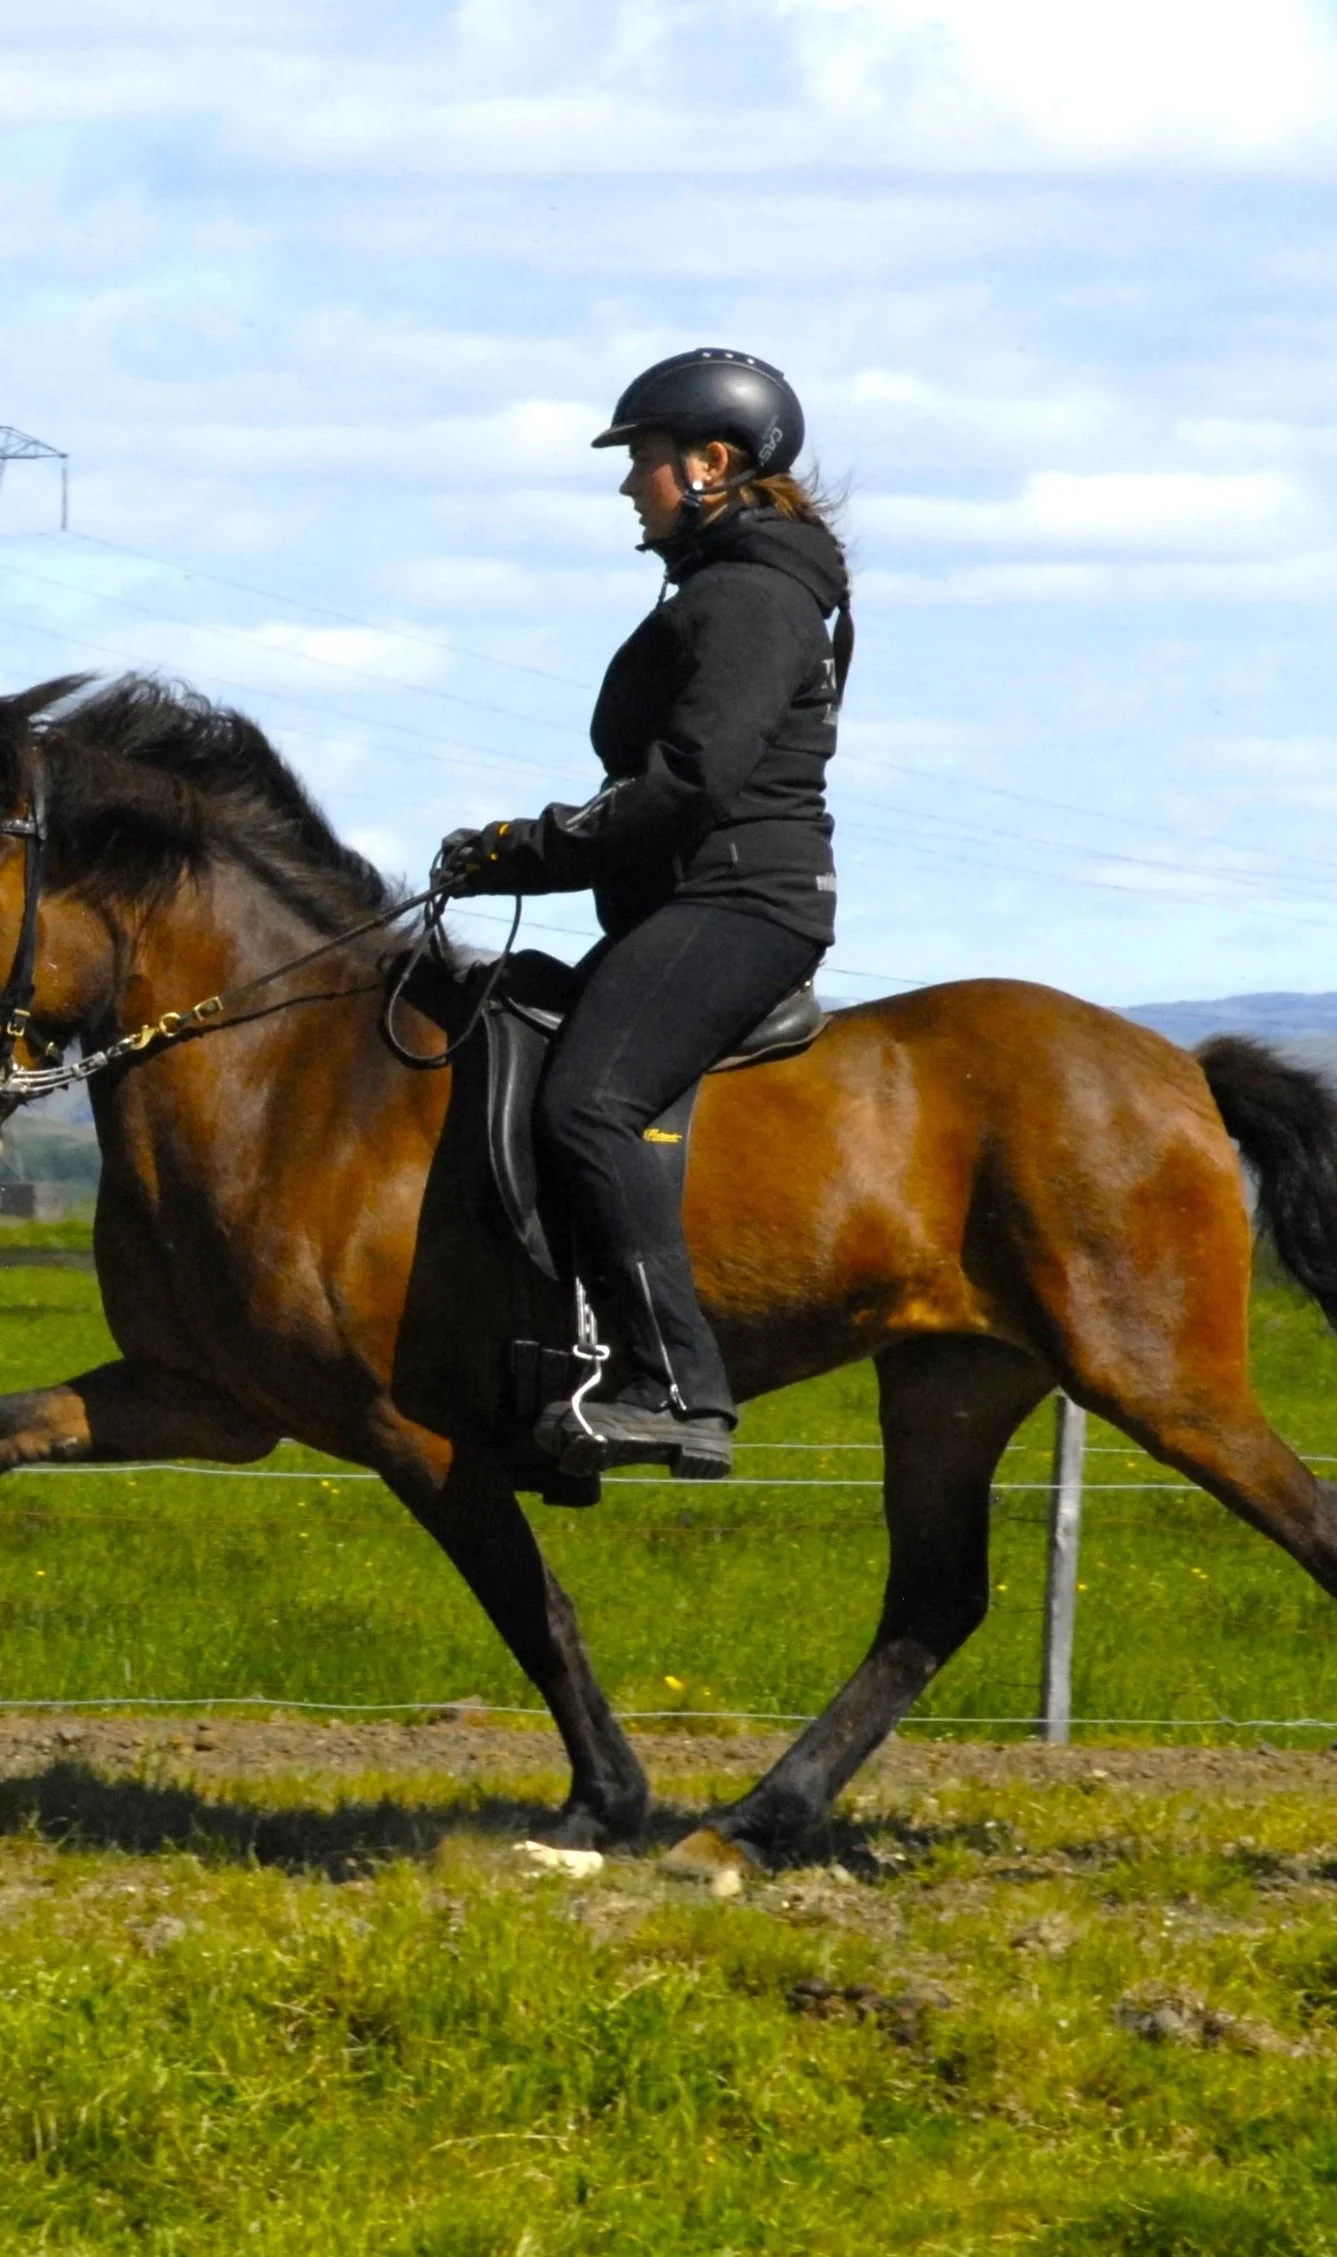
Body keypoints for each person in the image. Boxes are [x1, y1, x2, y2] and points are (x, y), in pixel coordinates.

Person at [438, 347, 850, 1481]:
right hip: (683, 900)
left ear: (711, 464)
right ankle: (554, 1369)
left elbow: (689, 783)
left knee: (586, 1105)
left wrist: (527, 849)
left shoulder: (749, 597)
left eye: (645, 463)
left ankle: (674, 1388)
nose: (629, 486)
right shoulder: (727, 586)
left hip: (738, 904)